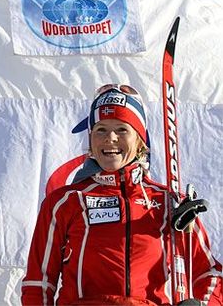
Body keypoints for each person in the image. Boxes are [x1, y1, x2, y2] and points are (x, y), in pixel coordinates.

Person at [21, 84, 222, 305]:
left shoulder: (168, 203)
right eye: (101, 130)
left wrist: (203, 304)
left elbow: (211, 273)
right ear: (90, 139)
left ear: (140, 141)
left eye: (122, 129)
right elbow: (38, 282)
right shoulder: (65, 201)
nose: (111, 138)